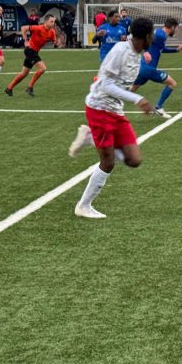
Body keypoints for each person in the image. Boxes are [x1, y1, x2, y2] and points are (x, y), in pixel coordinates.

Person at [68, 17, 156, 219]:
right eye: (151, 35)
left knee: (134, 160)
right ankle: (83, 206)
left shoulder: (137, 52)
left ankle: (89, 137)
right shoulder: (119, 51)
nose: (153, 38)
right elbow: (105, 85)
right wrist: (137, 99)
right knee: (107, 163)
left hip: (116, 111)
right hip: (99, 108)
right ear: (144, 36)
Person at [131, 17, 182, 118]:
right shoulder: (159, 35)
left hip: (143, 68)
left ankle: (109, 101)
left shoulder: (160, 34)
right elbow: (144, 38)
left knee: (131, 90)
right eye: (176, 28)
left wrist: (177, 50)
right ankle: (159, 107)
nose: (176, 31)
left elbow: (161, 49)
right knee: (172, 83)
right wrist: (146, 52)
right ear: (172, 27)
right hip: (148, 69)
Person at [5, 14, 61, 97]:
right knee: (42, 68)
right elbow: (23, 28)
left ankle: (9, 88)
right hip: (30, 50)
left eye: (54, 22)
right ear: (46, 22)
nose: (53, 23)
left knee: (24, 73)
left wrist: (57, 42)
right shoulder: (39, 28)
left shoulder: (52, 32)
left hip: (34, 52)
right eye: (51, 21)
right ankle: (30, 87)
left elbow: (55, 41)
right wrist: (25, 40)